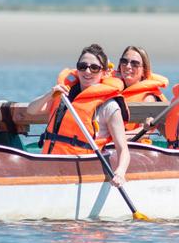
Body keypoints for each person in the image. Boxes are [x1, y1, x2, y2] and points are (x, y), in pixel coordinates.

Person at [24, 44, 132, 185]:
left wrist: (120, 172)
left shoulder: (109, 106)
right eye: (83, 66)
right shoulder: (63, 95)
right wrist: (50, 94)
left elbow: (123, 149)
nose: (87, 71)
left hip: (82, 174)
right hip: (50, 165)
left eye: (94, 68)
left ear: (104, 72)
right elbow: (31, 110)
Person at [114, 45, 169, 132]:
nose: (128, 66)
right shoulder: (113, 91)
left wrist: (117, 139)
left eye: (135, 64)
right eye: (124, 61)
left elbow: (145, 132)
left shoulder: (148, 98)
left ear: (144, 71)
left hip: (133, 143)